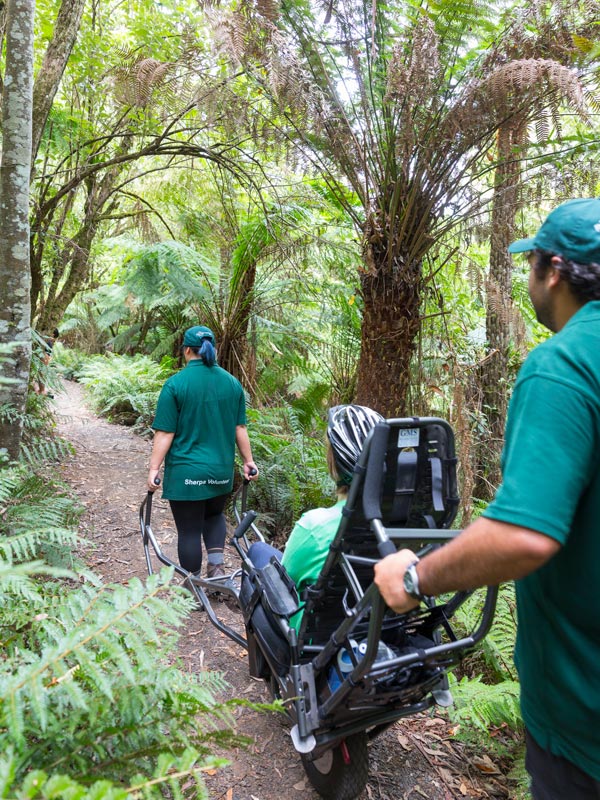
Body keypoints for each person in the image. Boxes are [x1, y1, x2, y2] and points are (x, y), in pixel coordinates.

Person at [374, 197, 600, 799]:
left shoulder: (565, 367)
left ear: (553, 271)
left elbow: (525, 533)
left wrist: (415, 577)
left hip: (585, 721)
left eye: (530, 267)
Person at [248, 404, 383, 628]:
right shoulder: (407, 526)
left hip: (315, 639)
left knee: (258, 554)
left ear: (335, 464)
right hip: (376, 630)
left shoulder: (316, 526)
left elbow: (285, 583)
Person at [147, 325, 258, 578]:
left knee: (189, 530)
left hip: (187, 472)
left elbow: (165, 433)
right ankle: (216, 568)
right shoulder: (232, 384)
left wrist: (154, 469)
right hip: (220, 471)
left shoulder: (175, 384)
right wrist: (248, 461)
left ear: (187, 350)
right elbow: (239, 427)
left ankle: (194, 587)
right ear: (213, 350)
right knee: (214, 514)